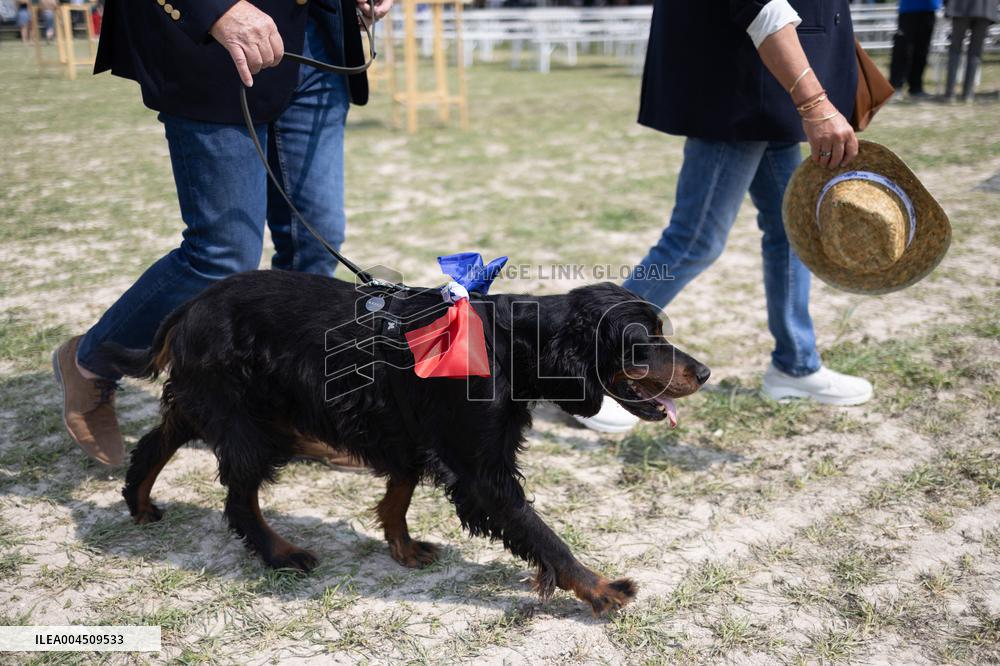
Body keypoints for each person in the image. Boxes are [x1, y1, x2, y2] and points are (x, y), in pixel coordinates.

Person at [52, 0, 391, 466]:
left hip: (319, 41)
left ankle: (290, 410)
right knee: (221, 255)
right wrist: (215, 8)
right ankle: (90, 363)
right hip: (213, 45)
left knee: (316, 242)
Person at [578, 0, 874, 434]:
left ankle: (796, 364)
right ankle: (585, 368)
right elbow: (761, 5)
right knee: (694, 241)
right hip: (743, 80)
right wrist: (815, 103)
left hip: (775, 81)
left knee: (791, 233)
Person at [943, 0, 999, 102]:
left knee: (955, 49)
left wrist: (947, 4)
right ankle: (968, 94)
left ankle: (950, 94)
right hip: (985, 7)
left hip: (959, 6)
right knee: (975, 51)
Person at [889, 0, 942, 100]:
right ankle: (896, 86)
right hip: (908, 10)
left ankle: (916, 88)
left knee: (922, 51)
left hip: (929, 9)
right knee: (902, 51)